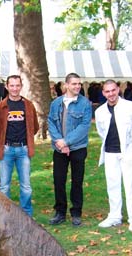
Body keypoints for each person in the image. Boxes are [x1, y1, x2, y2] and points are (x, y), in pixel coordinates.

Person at [94, 80, 132, 232]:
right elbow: (101, 131)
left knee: (131, 185)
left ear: (118, 90)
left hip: (128, 152)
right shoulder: (100, 112)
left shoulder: (131, 107)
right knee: (112, 185)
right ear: (103, 93)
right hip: (110, 152)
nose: (111, 94)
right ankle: (115, 216)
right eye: (107, 91)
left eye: (113, 90)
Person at [47, 73, 92, 227]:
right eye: (74, 84)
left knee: (77, 181)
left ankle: (76, 213)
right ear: (66, 85)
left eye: (79, 84)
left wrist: (66, 141)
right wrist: (60, 142)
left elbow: (84, 127)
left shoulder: (85, 104)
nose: (77, 86)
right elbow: (51, 122)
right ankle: (60, 212)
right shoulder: (56, 103)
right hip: (59, 149)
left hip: (78, 148)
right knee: (59, 181)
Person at [0, 75, 40, 216]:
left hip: (24, 149)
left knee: (26, 186)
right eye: (11, 85)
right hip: (6, 149)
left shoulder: (28, 105)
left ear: (21, 86)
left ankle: (26, 214)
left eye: (17, 85)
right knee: (4, 185)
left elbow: (34, 127)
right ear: (6, 86)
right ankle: (5, 215)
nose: (14, 88)